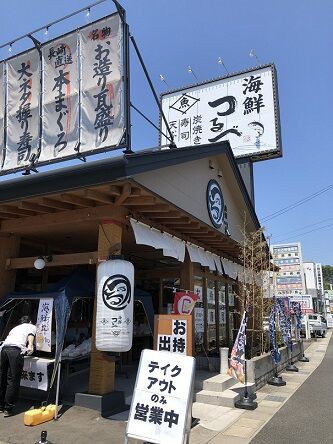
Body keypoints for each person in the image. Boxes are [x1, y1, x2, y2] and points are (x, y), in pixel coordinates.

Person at [0, 315, 37, 417]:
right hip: (15, 351)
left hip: (4, 350)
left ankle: (1, 405)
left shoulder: (15, 328)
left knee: (2, 377)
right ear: (29, 321)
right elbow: (30, 335)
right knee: (13, 379)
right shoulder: (31, 326)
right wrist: (30, 345)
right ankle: (8, 408)